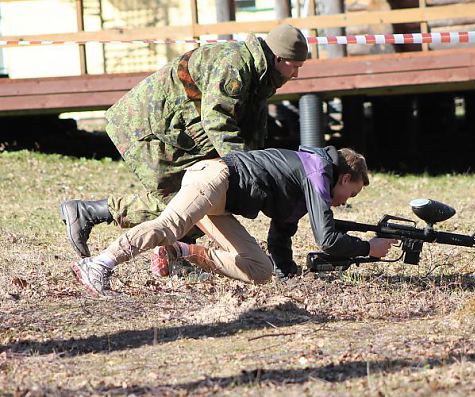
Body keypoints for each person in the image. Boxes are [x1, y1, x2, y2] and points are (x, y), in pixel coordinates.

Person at [60, 23, 308, 259]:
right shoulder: (235, 65)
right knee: (192, 200)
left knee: (201, 197)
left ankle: (171, 254)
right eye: (294, 66)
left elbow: (251, 130)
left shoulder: (259, 74)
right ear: (278, 58)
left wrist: (260, 168)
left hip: (176, 132)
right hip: (146, 128)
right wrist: (244, 169)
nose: (296, 74)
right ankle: (90, 213)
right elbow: (218, 120)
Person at [70, 146, 396, 297]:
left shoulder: (309, 184)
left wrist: (290, 277)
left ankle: (180, 252)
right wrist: (369, 247)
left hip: (221, 202)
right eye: (348, 195)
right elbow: (326, 240)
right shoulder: (317, 173)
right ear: (345, 177)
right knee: (167, 224)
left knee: (259, 269)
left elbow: (281, 236)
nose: (342, 203)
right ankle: (98, 265)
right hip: (215, 178)